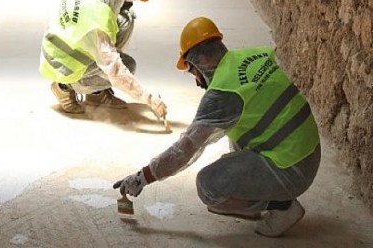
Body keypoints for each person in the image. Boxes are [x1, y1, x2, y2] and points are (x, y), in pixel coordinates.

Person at [113, 16, 321, 237]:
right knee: (236, 129)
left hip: (292, 170)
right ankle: (260, 197)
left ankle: (283, 207)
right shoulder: (249, 56)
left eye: (192, 70)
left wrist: (142, 177)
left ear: (201, 59)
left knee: (209, 187)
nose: (195, 79)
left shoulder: (223, 94)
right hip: (308, 150)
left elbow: (184, 150)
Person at [38, 0, 167, 120]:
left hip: (59, 44)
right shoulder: (98, 18)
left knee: (125, 18)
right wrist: (148, 98)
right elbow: (116, 70)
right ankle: (63, 87)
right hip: (63, 65)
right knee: (127, 64)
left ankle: (96, 92)